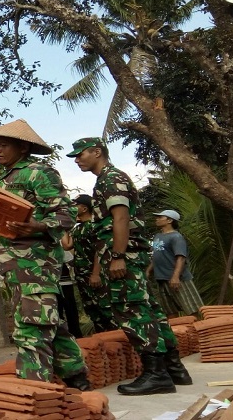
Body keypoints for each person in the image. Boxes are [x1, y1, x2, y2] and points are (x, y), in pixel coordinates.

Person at [68, 137, 191, 394]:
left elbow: (120, 218)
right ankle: (174, 368)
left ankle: (157, 374)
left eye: (80, 154)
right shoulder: (106, 179)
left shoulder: (111, 179)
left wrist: (117, 256)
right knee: (150, 311)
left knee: (132, 311)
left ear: (97, 152)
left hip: (125, 256)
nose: (77, 159)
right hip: (130, 255)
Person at [0, 119, 89, 388]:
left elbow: (65, 214)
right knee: (48, 324)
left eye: (3, 145)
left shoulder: (39, 173)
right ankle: (77, 378)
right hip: (15, 270)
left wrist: (36, 226)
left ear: (23, 147)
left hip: (36, 266)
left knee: (31, 330)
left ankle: (34, 391)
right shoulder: (2, 179)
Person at [62, 194, 116, 333]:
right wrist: (64, 224)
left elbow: (100, 251)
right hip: (82, 276)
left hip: (97, 275)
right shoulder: (77, 228)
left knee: (106, 311)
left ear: (84, 208)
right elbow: (67, 245)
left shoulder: (95, 226)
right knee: (93, 312)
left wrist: (96, 274)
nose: (72, 208)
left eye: (75, 205)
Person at [147, 210, 204, 318]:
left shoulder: (176, 237)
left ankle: (200, 330)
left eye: (160, 217)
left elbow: (181, 258)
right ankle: (176, 333)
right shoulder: (158, 236)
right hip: (162, 278)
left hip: (178, 279)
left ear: (169, 220)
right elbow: (157, 256)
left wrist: (175, 277)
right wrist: (149, 270)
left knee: (191, 309)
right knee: (170, 311)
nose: (157, 219)